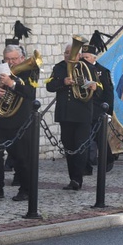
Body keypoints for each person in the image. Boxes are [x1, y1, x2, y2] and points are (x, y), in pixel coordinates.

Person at [0, 44, 37, 201]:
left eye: (14, 59)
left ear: (21, 59)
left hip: (21, 122)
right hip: (1, 121)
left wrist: (12, 84)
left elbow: (30, 94)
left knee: (21, 157)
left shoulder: (29, 72)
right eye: (7, 59)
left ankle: (26, 189)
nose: (11, 62)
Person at [46, 43, 96, 191]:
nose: (69, 55)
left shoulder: (87, 67)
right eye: (66, 53)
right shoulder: (59, 67)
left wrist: (91, 85)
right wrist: (63, 82)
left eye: (72, 53)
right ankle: (72, 177)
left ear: (78, 55)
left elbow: (97, 88)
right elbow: (49, 86)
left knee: (80, 147)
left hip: (82, 113)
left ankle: (77, 179)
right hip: (65, 114)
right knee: (68, 146)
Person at [81, 43, 115, 175]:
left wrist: (109, 111)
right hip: (83, 107)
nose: (84, 60)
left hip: (98, 108)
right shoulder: (79, 69)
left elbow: (108, 92)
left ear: (94, 58)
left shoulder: (102, 70)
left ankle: (108, 159)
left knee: (99, 137)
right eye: (82, 57)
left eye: (87, 57)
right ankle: (86, 166)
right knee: (84, 137)